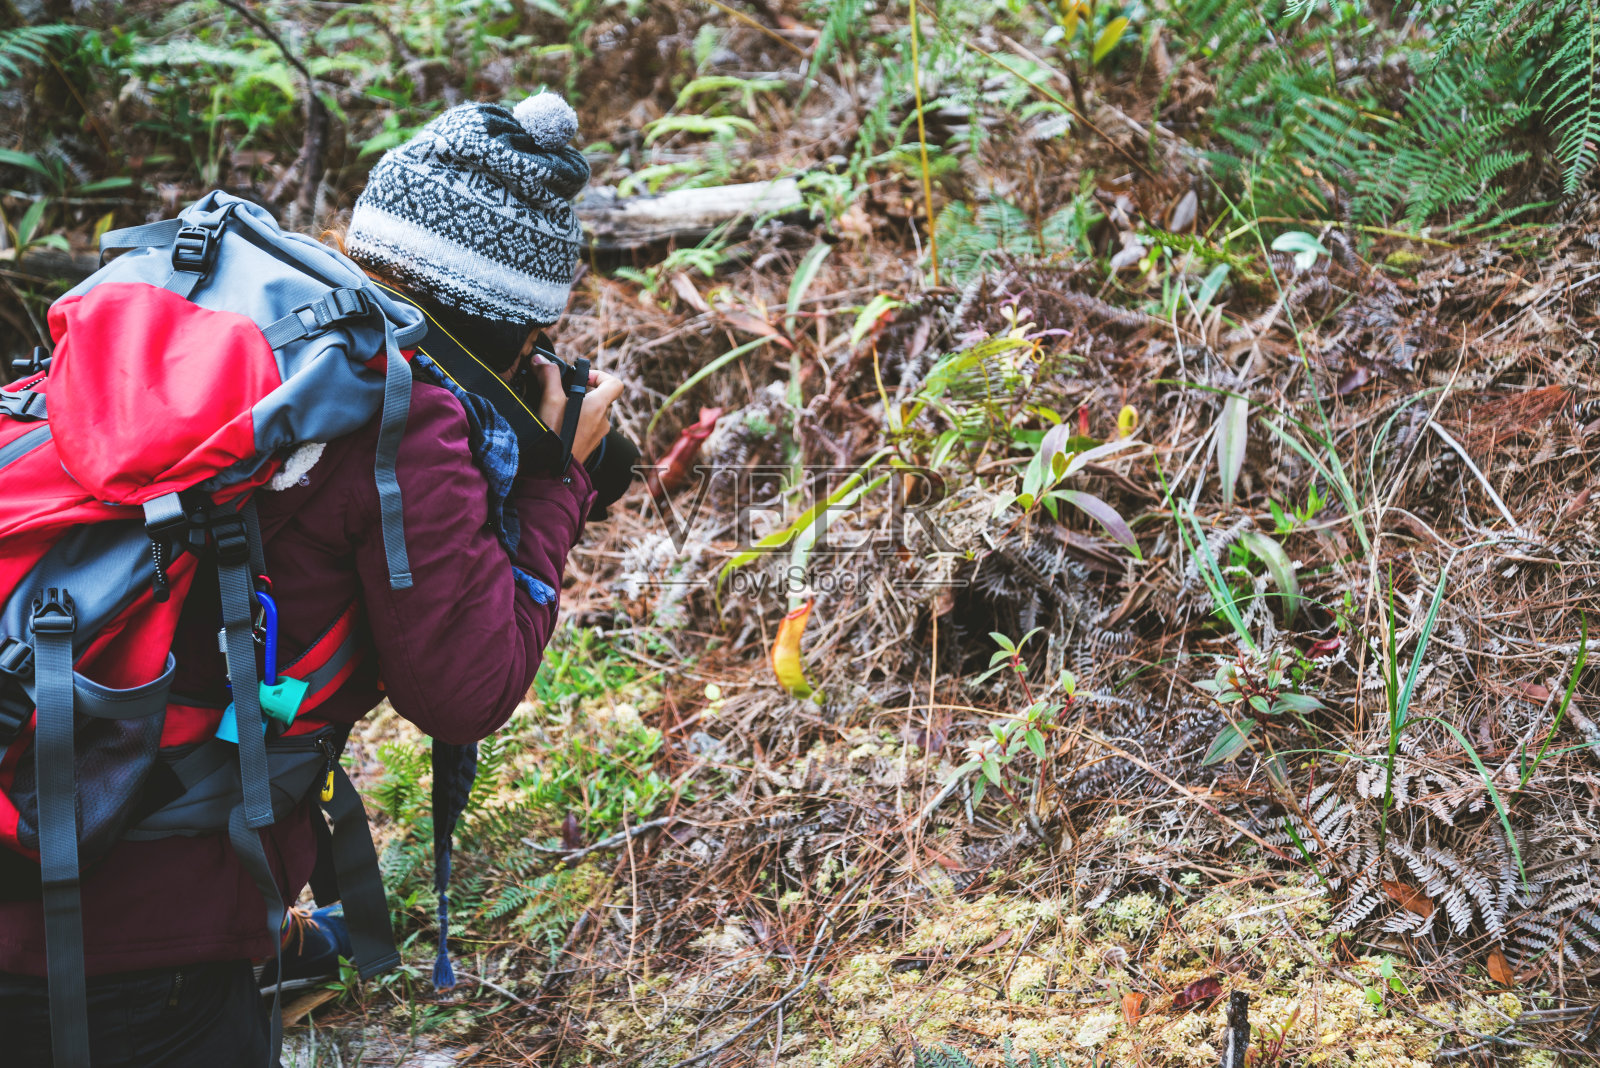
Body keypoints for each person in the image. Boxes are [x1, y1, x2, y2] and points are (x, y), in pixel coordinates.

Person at [0, 91, 621, 1066]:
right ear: (508, 334)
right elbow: (468, 691)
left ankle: (268, 935)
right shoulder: (401, 416)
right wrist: (557, 482)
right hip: (120, 948)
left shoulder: (246, 325)